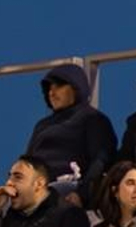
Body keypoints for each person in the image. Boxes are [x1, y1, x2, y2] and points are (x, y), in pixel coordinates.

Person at [24, 64, 116, 206]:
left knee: (52, 195)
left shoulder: (93, 119)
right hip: (36, 188)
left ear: (75, 87)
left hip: (68, 187)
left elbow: (100, 161)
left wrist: (82, 194)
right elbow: (27, 164)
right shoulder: (42, 125)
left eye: (58, 86)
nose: (51, 93)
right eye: (49, 88)